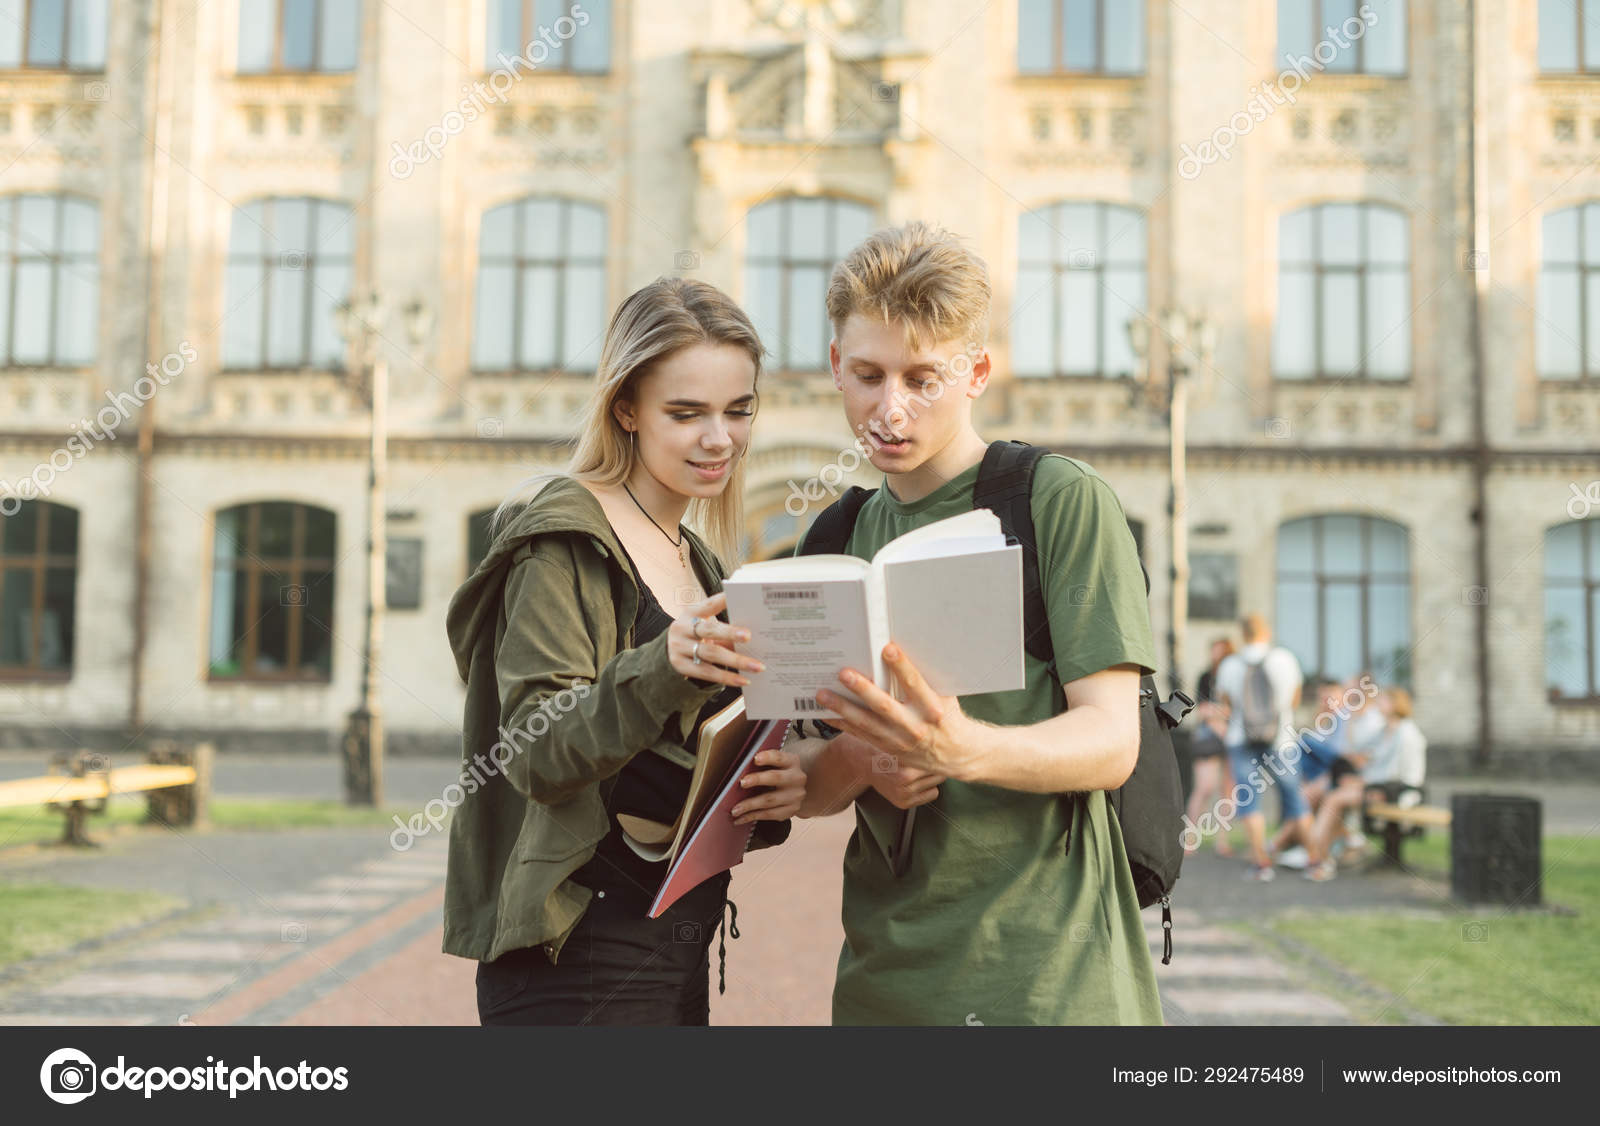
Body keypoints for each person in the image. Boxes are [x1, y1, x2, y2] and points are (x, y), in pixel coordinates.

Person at [786, 221, 1161, 1025]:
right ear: (834, 366)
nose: (890, 409)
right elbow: (811, 785)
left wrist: (964, 750)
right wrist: (860, 760)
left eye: (924, 378)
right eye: (867, 375)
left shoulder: (1058, 501)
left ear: (977, 371)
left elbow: (1111, 741)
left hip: (1050, 985)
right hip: (883, 986)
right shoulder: (831, 541)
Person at [442, 278, 807, 1025]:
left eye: (739, 411)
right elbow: (537, 750)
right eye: (687, 413)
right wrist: (663, 665)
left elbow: (678, 759)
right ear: (626, 410)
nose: (720, 438)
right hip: (576, 950)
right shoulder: (562, 542)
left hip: (676, 939)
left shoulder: (701, 562)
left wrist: (775, 782)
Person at [1213, 612, 1305, 882]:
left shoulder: (1231, 664)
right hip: (1281, 739)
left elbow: (1226, 704)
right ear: (1266, 631)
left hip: (1241, 739)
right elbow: (1295, 699)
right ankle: (1315, 859)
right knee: (1295, 798)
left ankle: (1261, 864)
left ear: (1243, 633)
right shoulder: (1284, 659)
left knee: (1249, 800)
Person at [1303, 687, 1426, 882]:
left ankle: (1321, 858)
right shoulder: (1385, 730)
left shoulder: (1406, 732)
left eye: (1384, 700)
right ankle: (1329, 851)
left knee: (1334, 799)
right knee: (1335, 793)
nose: (1378, 704)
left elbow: (1396, 773)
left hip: (1398, 791)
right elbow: (1358, 750)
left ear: (1395, 704)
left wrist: (1362, 781)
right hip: (1381, 786)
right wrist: (1351, 720)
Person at [1186, 638, 1237, 858]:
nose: (1215, 656)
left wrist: (1220, 714)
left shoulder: (1235, 677)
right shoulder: (1205, 677)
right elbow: (1202, 710)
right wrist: (1220, 718)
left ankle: (1222, 841)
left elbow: (1236, 709)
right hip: (1210, 736)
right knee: (1205, 787)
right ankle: (1189, 838)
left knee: (1228, 791)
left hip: (1233, 735)